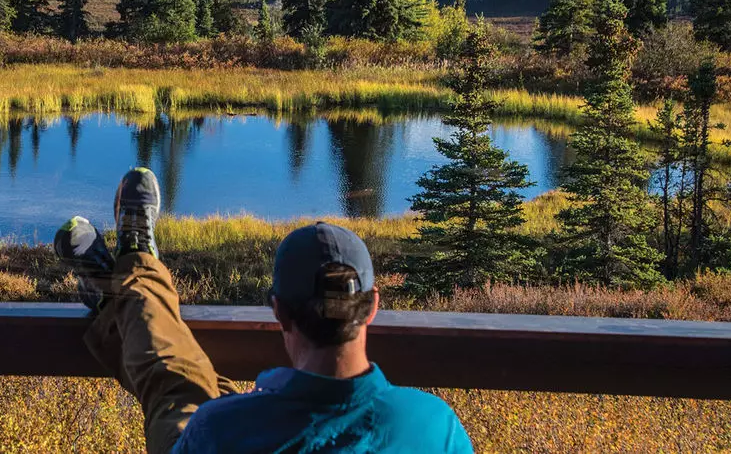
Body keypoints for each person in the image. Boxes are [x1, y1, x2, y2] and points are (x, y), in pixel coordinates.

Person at [55, 167, 474, 454]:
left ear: (279, 312)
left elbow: (210, 422)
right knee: (209, 396)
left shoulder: (218, 430)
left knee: (176, 388)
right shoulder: (435, 428)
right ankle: (119, 285)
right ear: (372, 307)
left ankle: (128, 279)